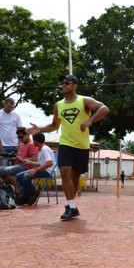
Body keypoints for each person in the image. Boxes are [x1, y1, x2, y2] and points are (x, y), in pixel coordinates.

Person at [27, 74, 110, 220]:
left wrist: (90, 121)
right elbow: (54, 125)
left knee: (75, 176)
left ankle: (71, 205)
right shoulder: (58, 105)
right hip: (66, 143)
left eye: (67, 83)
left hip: (82, 146)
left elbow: (104, 108)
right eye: (62, 83)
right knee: (65, 172)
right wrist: (39, 129)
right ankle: (71, 206)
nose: (63, 85)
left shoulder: (84, 101)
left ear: (75, 86)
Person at [15, 133, 55, 205]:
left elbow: (50, 163)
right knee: (18, 176)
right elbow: (41, 163)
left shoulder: (44, 149)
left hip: (48, 171)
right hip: (42, 169)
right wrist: (29, 162)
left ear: (36, 141)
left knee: (26, 177)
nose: (33, 142)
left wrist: (35, 170)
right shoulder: (40, 149)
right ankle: (32, 193)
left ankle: (26, 196)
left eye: (33, 140)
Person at [0, 128, 38, 194]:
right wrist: (14, 157)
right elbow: (19, 156)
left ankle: (17, 190)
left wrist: (22, 158)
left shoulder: (31, 144)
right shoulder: (21, 144)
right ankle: (6, 190)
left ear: (27, 135)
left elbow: (35, 159)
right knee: (1, 170)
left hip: (27, 166)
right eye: (18, 137)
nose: (20, 139)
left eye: (21, 137)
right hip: (18, 164)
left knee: (7, 171)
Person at [0, 98, 23, 166]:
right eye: (8, 107)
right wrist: (0, 146)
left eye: (12, 107)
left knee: (14, 169)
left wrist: (20, 144)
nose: (10, 108)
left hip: (15, 146)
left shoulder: (16, 116)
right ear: (4, 104)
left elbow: (20, 131)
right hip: (4, 146)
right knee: (4, 169)